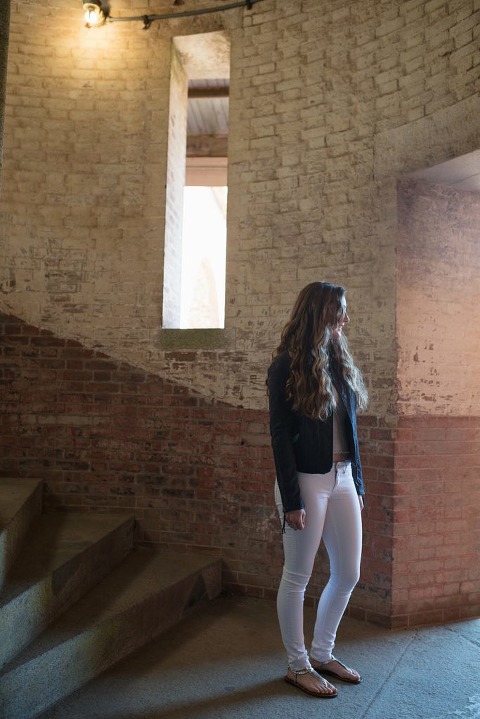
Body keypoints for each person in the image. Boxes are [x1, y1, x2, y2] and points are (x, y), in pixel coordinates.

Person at [267, 281, 368, 699]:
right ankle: (297, 665)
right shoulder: (285, 366)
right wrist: (291, 500)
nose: (346, 318)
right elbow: (279, 436)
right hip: (306, 481)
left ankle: (322, 653)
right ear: (320, 313)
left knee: (348, 573)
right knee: (297, 577)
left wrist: (357, 481)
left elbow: (351, 431)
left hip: (342, 478)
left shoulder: (339, 362)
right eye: (340, 311)